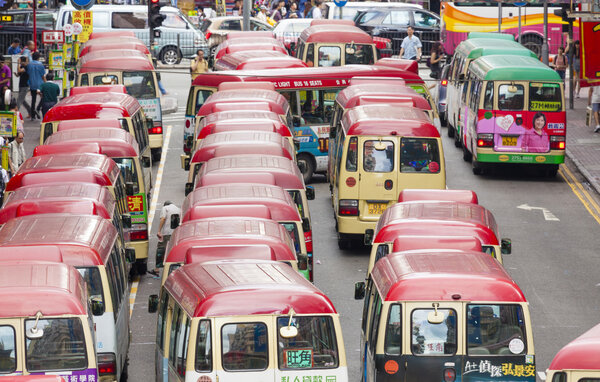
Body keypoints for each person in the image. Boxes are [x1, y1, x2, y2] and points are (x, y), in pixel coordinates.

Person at [148, 201, 181, 277]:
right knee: (174, 251)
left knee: (161, 249)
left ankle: (157, 270)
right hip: (177, 234)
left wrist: (159, 231)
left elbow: (163, 219)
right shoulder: (178, 209)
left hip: (167, 233)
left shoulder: (165, 208)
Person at [26, 52, 45, 120]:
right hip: (40, 84)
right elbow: (42, 75)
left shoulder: (29, 65)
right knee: (43, 98)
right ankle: (38, 108)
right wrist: (45, 82)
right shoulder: (40, 64)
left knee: (33, 100)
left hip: (32, 84)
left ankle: (33, 116)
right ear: (38, 57)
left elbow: (28, 73)